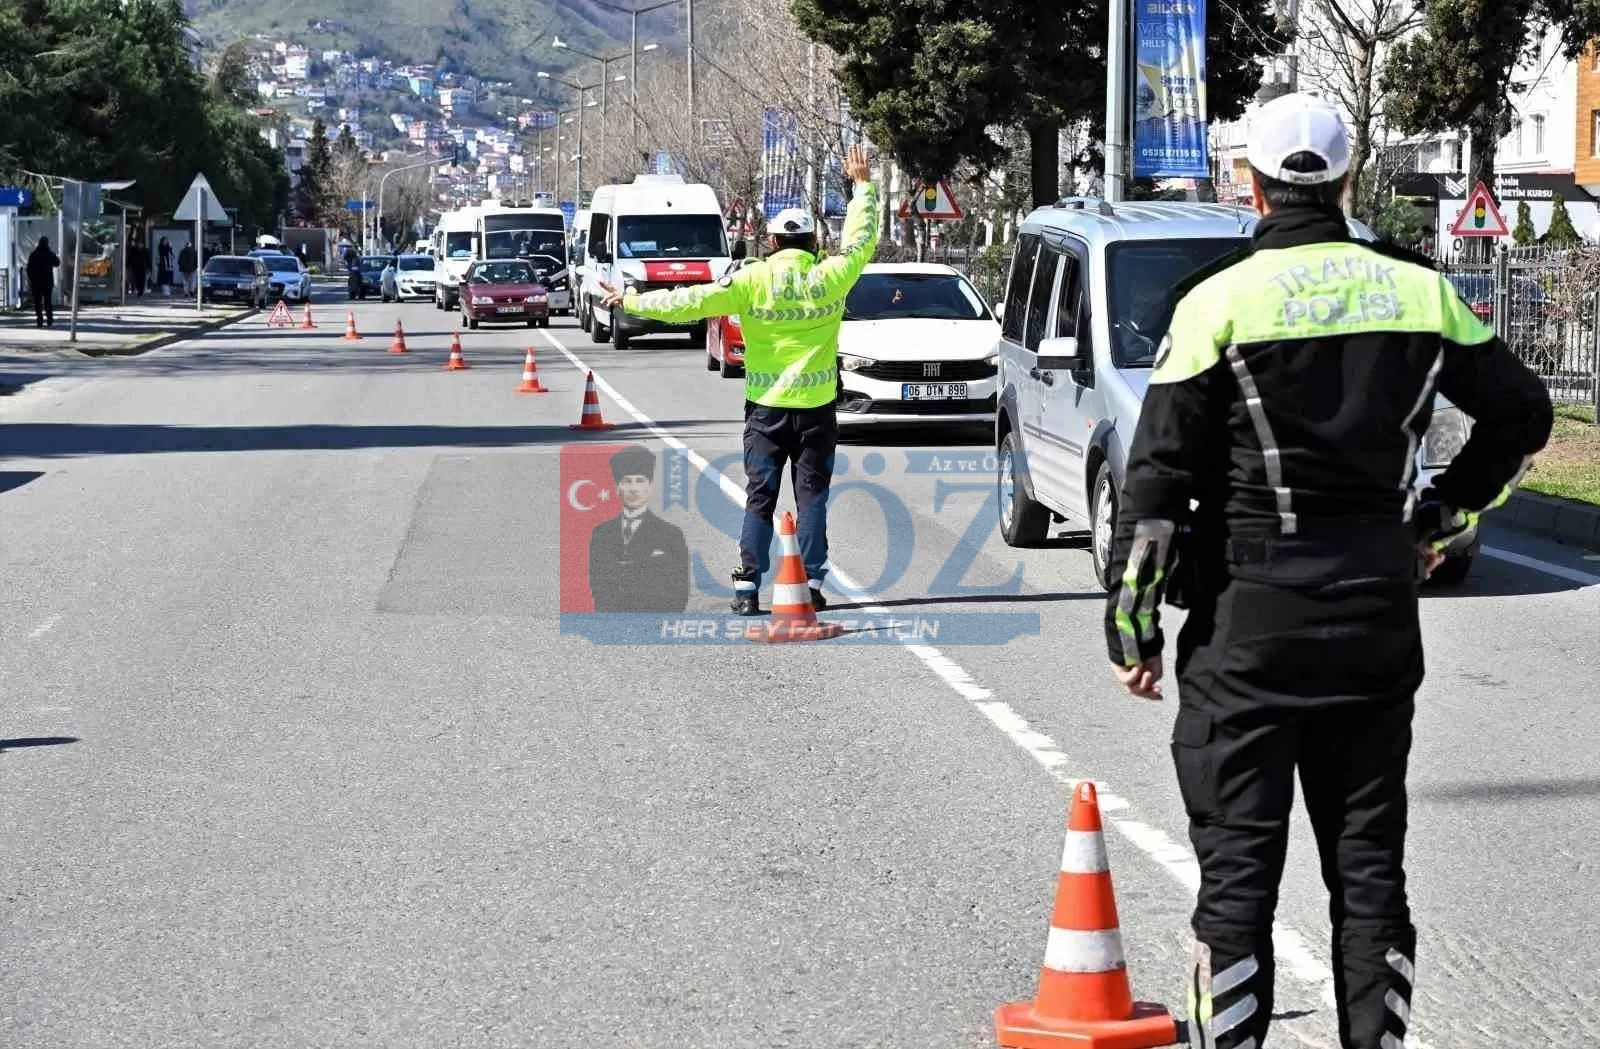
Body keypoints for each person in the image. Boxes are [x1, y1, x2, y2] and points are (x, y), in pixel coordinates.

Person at [1103, 93, 1552, 1049]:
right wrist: (1444, 515)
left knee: (1238, 881)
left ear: (1250, 184)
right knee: (1369, 870)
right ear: (1348, 180)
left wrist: (1132, 627)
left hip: (1247, 625)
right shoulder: (1420, 292)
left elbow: (1155, 483)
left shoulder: (1216, 301)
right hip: (1374, 617)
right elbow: (1524, 415)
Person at [598, 143, 879, 616]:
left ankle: (747, 587)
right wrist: (863, 187)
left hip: (766, 412)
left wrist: (632, 300)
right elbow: (861, 239)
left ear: (772, 243)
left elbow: (689, 302)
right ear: (813, 243)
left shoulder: (751, 280)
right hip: (816, 411)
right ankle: (811, 584)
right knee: (812, 499)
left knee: (760, 498)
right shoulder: (832, 276)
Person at [586, 446, 690, 613]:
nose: (634, 489)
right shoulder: (601, 534)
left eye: (640, 481)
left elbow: (680, 591)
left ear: (650, 487)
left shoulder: (671, 534)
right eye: (627, 481)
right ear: (617, 488)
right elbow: (598, 586)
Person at [25, 237, 60, 328]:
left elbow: (28, 269)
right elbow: (57, 263)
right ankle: (49, 320)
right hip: (47, 282)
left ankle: (39, 320)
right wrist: (51, 253)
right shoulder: (49, 253)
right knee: (48, 302)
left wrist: (31, 279)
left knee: (38, 302)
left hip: (36, 283)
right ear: (47, 243)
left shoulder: (34, 254)